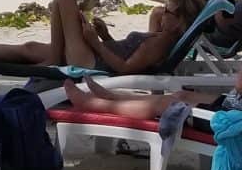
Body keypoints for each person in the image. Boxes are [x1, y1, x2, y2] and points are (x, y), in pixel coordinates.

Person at [0, 0, 203, 74]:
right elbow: (128, 54)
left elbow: (124, 69)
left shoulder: (160, 45)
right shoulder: (162, 37)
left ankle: (54, 60)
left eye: (168, 12)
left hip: (93, 62)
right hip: (97, 52)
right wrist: (105, 36)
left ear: (180, 22)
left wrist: (94, 43)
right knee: (30, 48)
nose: (162, 13)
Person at [61, 69, 242, 121]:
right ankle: (111, 96)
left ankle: (93, 104)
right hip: (232, 105)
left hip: (232, 119)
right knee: (182, 95)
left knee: (166, 105)